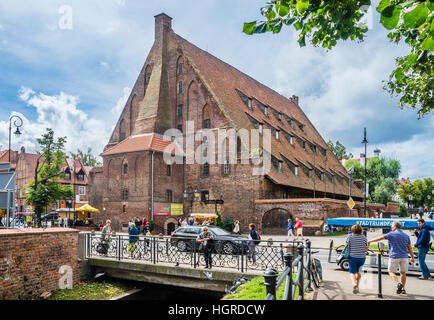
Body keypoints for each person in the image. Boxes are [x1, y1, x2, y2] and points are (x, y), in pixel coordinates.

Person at [368, 221, 415, 294]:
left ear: (395, 227)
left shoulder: (391, 234)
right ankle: (403, 289)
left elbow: (380, 238)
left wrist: (370, 241)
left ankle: (398, 284)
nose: (391, 228)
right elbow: (410, 248)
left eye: (392, 226)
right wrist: (412, 257)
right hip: (404, 256)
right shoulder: (406, 235)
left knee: (391, 272)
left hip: (394, 256)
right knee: (403, 273)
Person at [345, 224, 369, 294]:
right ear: (360, 230)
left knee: (352, 272)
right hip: (362, 257)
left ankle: (354, 284)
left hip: (352, 257)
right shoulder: (364, 237)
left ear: (352, 230)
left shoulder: (350, 236)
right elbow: (366, 248)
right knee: (358, 272)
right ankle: (357, 287)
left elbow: (346, 245)